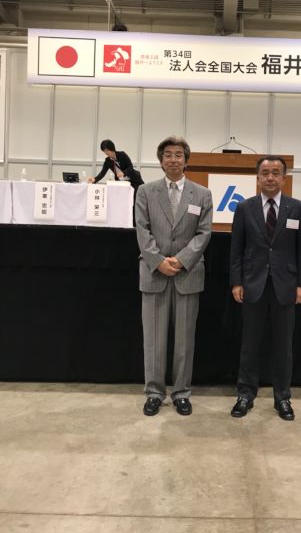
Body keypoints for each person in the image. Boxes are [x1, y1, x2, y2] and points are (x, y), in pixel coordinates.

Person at [229, 155, 301, 421]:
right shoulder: (245, 208)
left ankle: (282, 398)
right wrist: (236, 281)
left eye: (276, 173)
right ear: (257, 178)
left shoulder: (297, 208)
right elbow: (236, 249)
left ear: (283, 178)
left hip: (285, 286)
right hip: (252, 285)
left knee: (283, 346)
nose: (270, 177)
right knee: (249, 344)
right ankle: (245, 395)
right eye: (265, 173)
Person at [135, 136, 213, 417]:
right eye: (168, 155)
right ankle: (154, 393)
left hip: (187, 274)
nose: (173, 159)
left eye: (178, 155)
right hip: (154, 274)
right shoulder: (146, 192)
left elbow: (204, 232)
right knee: (153, 341)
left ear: (186, 160)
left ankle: (181, 393)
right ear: (161, 161)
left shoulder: (202, 194)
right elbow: (142, 229)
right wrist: (158, 261)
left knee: (184, 341)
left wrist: (181, 260)